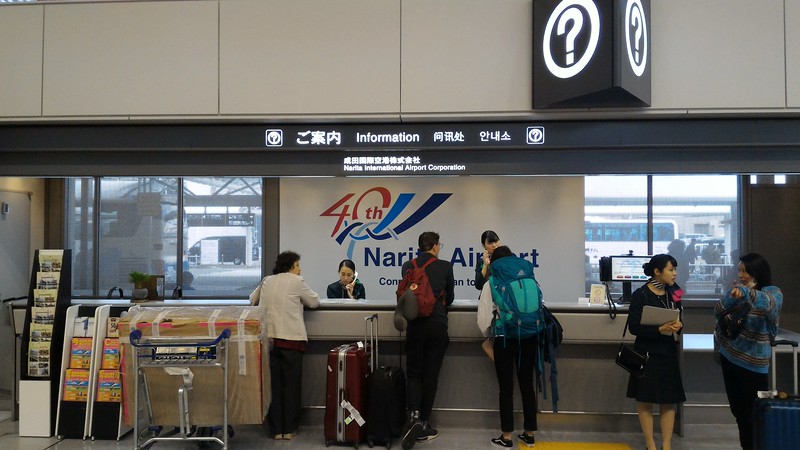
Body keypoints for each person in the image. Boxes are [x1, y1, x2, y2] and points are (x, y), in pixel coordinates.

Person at [249, 251, 320, 441]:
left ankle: (275, 430)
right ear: (289, 267)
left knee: (273, 386)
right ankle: (289, 429)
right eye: (297, 265)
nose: (300, 269)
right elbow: (314, 301)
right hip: (291, 341)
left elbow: (252, 299)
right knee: (291, 386)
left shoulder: (267, 280)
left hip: (269, 342)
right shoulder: (297, 281)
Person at [715, 253, 782, 450]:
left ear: (757, 272)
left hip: (754, 365)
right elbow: (718, 311)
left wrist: (746, 292)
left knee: (756, 414)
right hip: (729, 357)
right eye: (739, 271)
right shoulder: (738, 291)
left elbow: (769, 305)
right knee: (740, 414)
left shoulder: (773, 292)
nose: (741, 275)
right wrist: (732, 295)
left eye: (745, 271)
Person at [476, 245, 538, 448]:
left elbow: (483, 320)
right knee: (527, 384)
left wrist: (488, 336)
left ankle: (507, 436)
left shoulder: (492, 282)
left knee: (506, 387)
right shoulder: (528, 278)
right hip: (529, 335)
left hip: (504, 337)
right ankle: (529, 434)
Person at [400, 231, 455, 450]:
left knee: (414, 373)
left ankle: (413, 417)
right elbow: (450, 298)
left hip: (415, 326)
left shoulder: (408, 266)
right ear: (434, 246)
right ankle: (423, 422)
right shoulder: (445, 266)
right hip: (437, 326)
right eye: (439, 244)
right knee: (430, 375)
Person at [626, 253, 686, 450]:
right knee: (645, 399)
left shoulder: (675, 292)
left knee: (669, 399)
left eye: (675, 269)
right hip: (646, 352)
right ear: (657, 272)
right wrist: (659, 329)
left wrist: (678, 325)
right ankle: (650, 443)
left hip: (667, 351)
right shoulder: (640, 295)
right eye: (671, 269)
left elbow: (680, 316)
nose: (674, 273)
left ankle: (666, 445)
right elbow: (634, 327)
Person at [475, 230, 501, 360]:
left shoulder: (506, 258)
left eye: (496, 241)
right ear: (484, 245)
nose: (494, 245)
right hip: (488, 303)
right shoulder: (481, 261)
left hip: (503, 303)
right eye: (490, 243)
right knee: (488, 341)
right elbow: (478, 284)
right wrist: (485, 266)